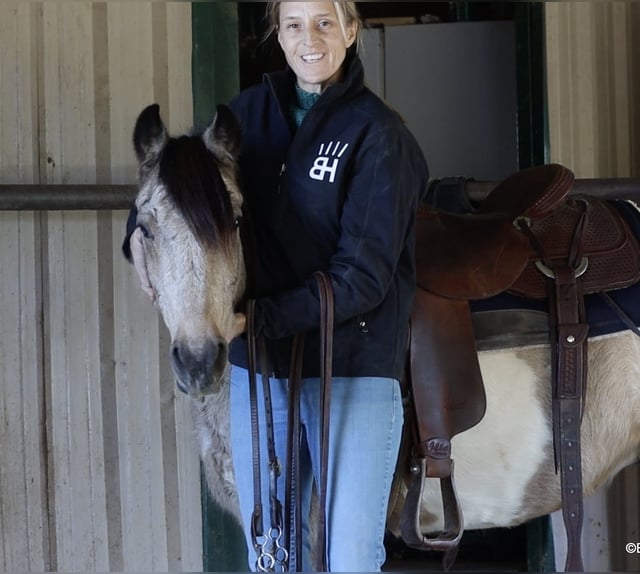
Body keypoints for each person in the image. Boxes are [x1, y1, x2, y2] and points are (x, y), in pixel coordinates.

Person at [128, 2, 428, 571]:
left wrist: (254, 321)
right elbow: (174, 185)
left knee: (350, 556)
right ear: (278, 34)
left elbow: (363, 277)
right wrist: (136, 237)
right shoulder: (247, 117)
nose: (309, 40)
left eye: (324, 22)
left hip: (353, 365)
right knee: (271, 555)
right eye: (294, 25)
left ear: (351, 29)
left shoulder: (379, 136)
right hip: (261, 369)